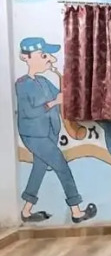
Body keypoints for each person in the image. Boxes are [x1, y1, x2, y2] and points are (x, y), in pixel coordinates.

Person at [16, 37, 96, 224]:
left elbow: (62, 95)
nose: (49, 59)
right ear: (26, 57)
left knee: (39, 169)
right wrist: (53, 103)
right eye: (44, 55)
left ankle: (26, 211)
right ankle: (76, 211)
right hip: (35, 135)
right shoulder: (22, 84)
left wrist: (65, 80)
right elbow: (30, 112)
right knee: (62, 168)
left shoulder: (44, 81)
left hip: (48, 133)